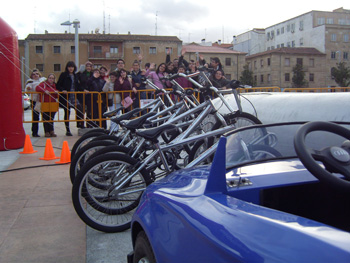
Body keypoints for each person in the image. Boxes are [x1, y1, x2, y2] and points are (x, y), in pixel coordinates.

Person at [57, 61, 84, 136]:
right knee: (67, 113)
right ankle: (67, 130)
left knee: (80, 110)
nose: (71, 68)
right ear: (67, 68)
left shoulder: (75, 76)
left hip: (74, 96)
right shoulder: (63, 75)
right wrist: (63, 90)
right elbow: (58, 85)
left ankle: (79, 124)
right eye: (69, 67)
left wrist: (83, 89)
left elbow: (78, 85)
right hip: (66, 96)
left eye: (72, 67)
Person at [25, 69, 46, 137]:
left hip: (43, 100)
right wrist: (28, 88)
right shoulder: (30, 82)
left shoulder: (43, 80)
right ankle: (34, 132)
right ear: (31, 76)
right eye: (34, 74)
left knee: (46, 116)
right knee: (35, 117)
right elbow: (28, 88)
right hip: (35, 101)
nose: (35, 75)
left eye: (37, 74)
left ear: (39, 74)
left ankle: (47, 131)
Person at [77, 61, 94, 128]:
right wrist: (83, 89)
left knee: (90, 111)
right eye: (87, 66)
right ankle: (81, 124)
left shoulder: (93, 74)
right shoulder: (81, 74)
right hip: (82, 95)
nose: (88, 68)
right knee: (82, 111)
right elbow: (78, 84)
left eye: (90, 66)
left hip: (90, 95)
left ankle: (89, 124)